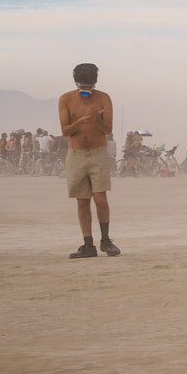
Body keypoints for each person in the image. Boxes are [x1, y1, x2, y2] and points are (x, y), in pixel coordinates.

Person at [58, 63, 118, 258]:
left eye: (90, 87)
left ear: (95, 82)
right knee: (82, 200)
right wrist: (80, 122)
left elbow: (107, 129)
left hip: (98, 153)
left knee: (100, 198)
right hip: (76, 154)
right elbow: (65, 130)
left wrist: (96, 119)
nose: (87, 91)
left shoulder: (103, 98)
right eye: (83, 87)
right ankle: (88, 244)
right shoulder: (66, 99)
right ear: (76, 83)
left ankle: (106, 240)